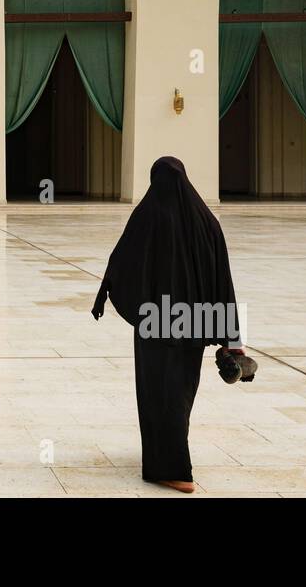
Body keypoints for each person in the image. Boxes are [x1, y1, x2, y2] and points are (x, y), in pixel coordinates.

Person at [91, 156, 256, 494]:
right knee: (179, 393)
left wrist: (108, 292)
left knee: (156, 394)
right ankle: (167, 456)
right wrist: (230, 335)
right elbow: (222, 278)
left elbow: (122, 262)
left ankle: (174, 468)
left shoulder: (148, 216)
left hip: (156, 323)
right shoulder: (206, 220)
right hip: (192, 324)